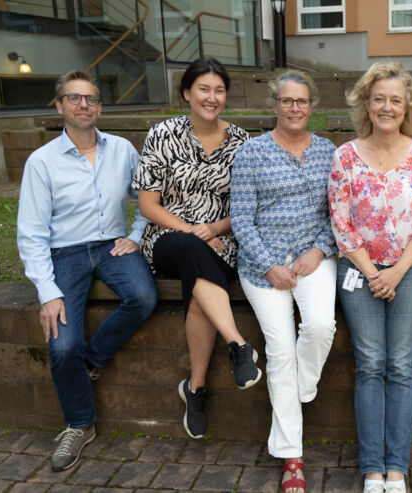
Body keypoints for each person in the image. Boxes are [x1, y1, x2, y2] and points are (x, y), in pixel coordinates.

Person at [17, 70, 157, 472]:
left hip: (113, 245)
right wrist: (48, 290)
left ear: (99, 107)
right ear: (59, 105)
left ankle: (91, 361)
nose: (84, 105)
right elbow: (30, 233)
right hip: (65, 254)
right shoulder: (41, 162)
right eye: (74, 98)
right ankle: (80, 424)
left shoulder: (123, 150)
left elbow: (146, 199)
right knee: (61, 346)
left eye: (91, 99)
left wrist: (134, 234)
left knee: (144, 297)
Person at [132, 57, 260, 440]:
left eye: (219, 90)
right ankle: (237, 344)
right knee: (191, 251)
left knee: (201, 283)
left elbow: (247, 206)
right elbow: (148, 205)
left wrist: (215, 228)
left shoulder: (241, 141)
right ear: (187, 93)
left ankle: (196, 387)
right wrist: (192, 230)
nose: (212, 97)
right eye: (203, 89)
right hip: (168, 238)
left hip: (224, 240)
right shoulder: (162, 134)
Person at [328, 62, 412, 493]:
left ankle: (398, 469)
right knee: (370, 364)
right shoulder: (345, 157)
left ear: (407, 105)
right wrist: (375, 273)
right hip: (359, 269)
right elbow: (342, 224)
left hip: (411, 269)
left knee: (401, 366)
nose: (387, 107)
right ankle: (372, 468)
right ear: (366, 103)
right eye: (379, 99)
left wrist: (395, 272)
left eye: (395, 99)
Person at [230, 70, 338, 493]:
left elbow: (338, 213)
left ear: (312, 106)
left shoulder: (329, 152)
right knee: (278, 350)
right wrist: (268, 263)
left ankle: (301, 387)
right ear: (273, 104)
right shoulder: (252, 153)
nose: (295, 108)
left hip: (314, 258)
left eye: (302, 101)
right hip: (263, 267)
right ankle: (291, 455)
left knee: (319, 326)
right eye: (287, 100)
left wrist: (319, 249)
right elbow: (241, 218)